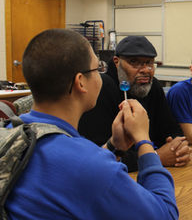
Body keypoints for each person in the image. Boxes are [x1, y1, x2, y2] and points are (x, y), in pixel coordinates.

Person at [5, 29, 178, 219]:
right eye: (97, 69)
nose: (101, 77)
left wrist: (115, 146)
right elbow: (165, 215)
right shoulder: (88, 164)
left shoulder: (9, 134)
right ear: (81, 82)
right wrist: (144, 141)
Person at [79, 36, 191, 171]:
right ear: (117, 62)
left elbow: (172, 130)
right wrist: (156, 157)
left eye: (149, 63)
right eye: (135, 63)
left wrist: (178, 148)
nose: (145, 70)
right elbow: (96, 154)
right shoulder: (102, 88)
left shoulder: (153, 86)